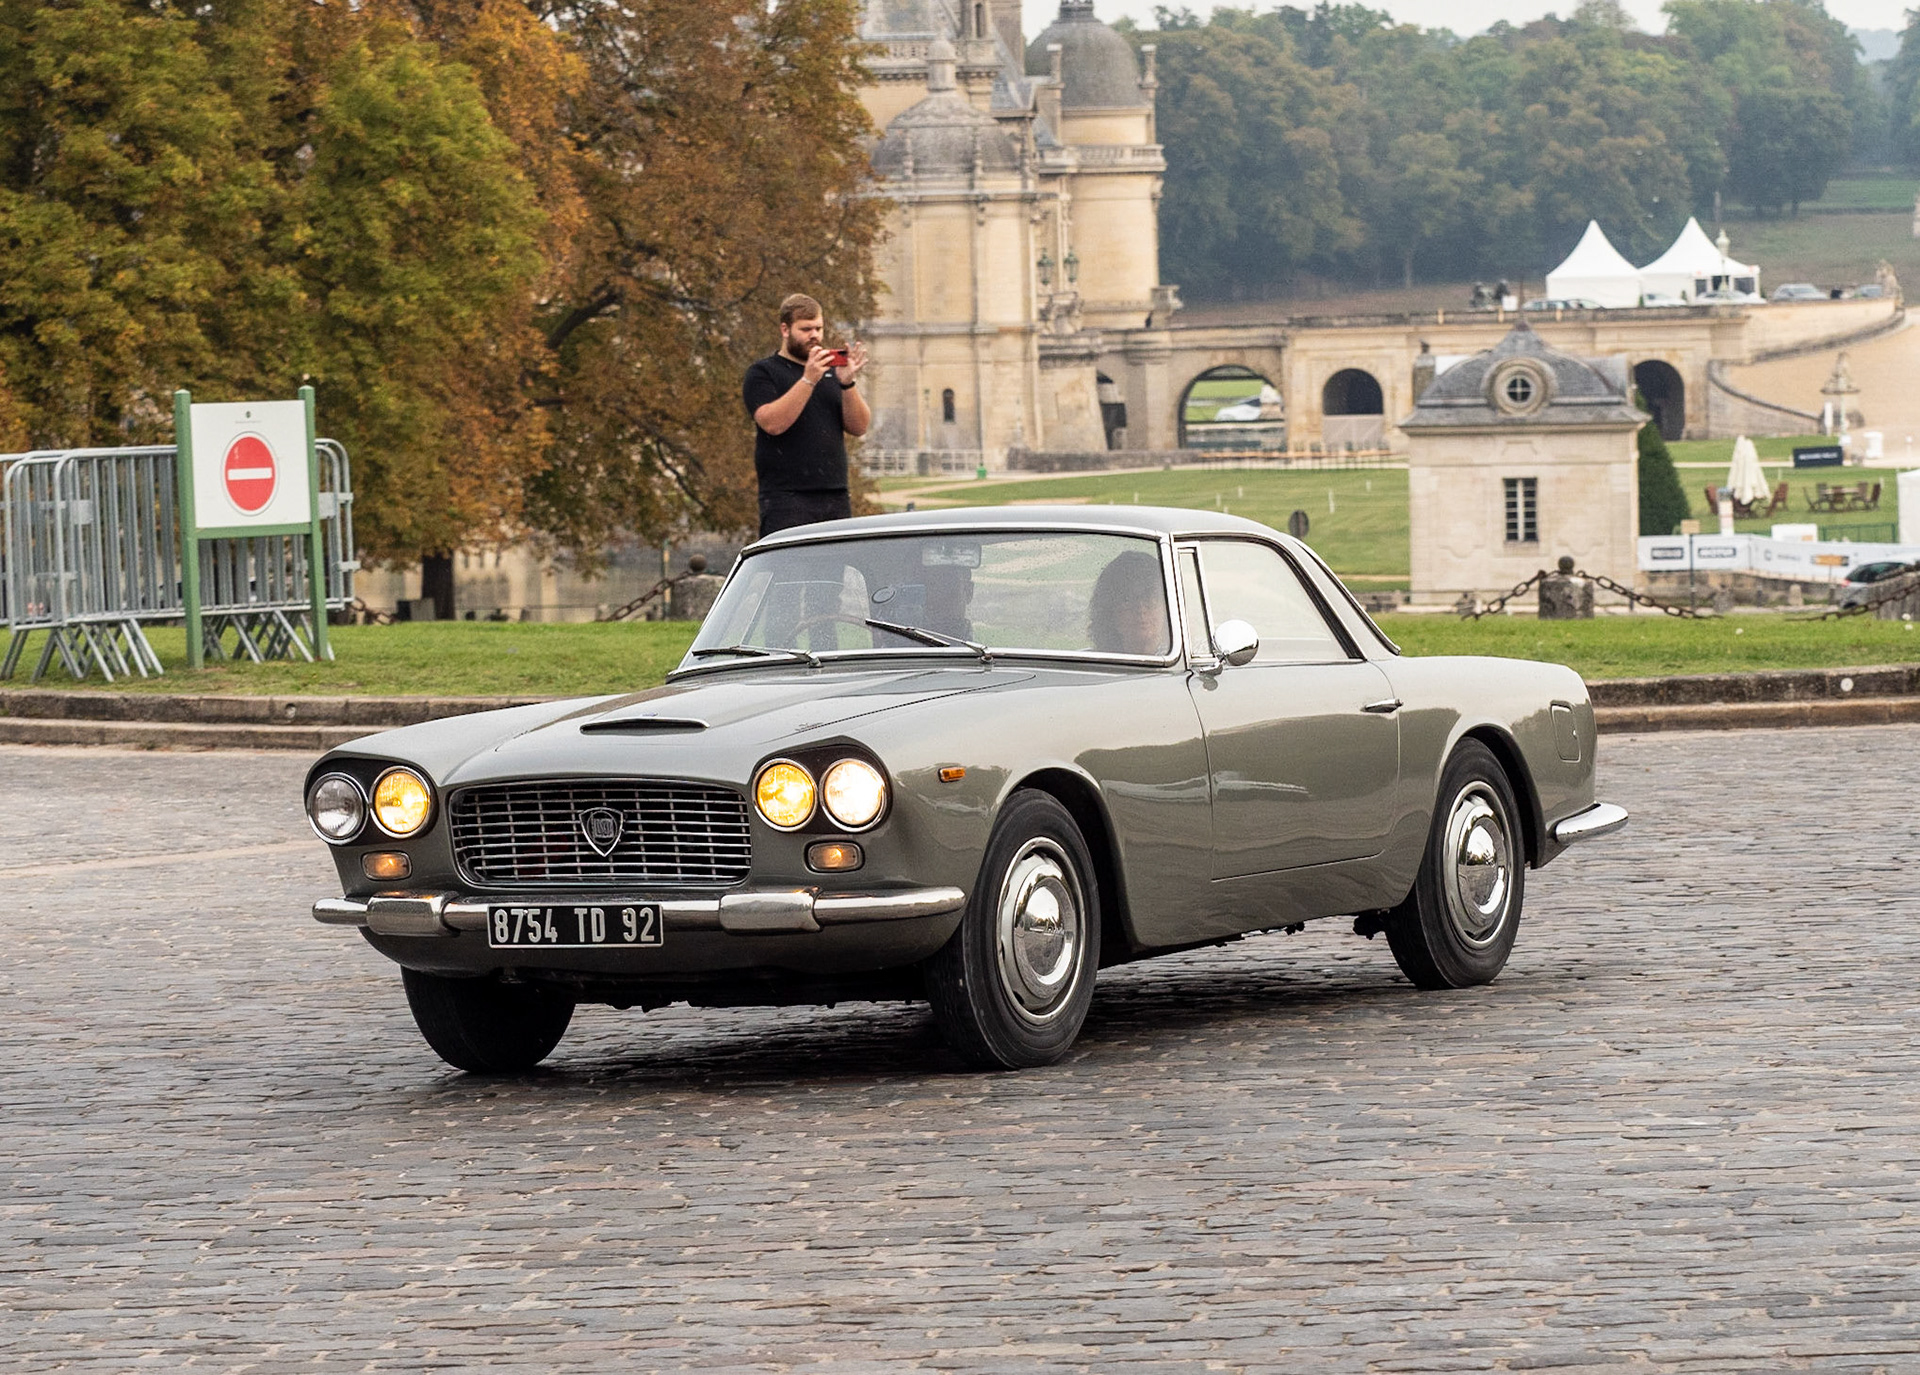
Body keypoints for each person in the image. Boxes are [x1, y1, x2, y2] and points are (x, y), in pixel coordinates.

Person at [742, 294, 871, 537]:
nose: (814, 335)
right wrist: (808, 379)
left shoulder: (830, 372)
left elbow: (859, 426)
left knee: (833, 572)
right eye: (806, 329)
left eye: (818, 328)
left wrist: (847, 384)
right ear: (785, 329)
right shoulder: (763, 373)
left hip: (835, 494)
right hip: (786, 497)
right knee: (793, 572)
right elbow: (772, 423)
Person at [1088, 550, 1170, 656]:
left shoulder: (1185, 662)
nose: (1141, 609)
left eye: (1150, 598)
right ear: (1109, 613)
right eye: (1127, 600)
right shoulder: (1091, 665)